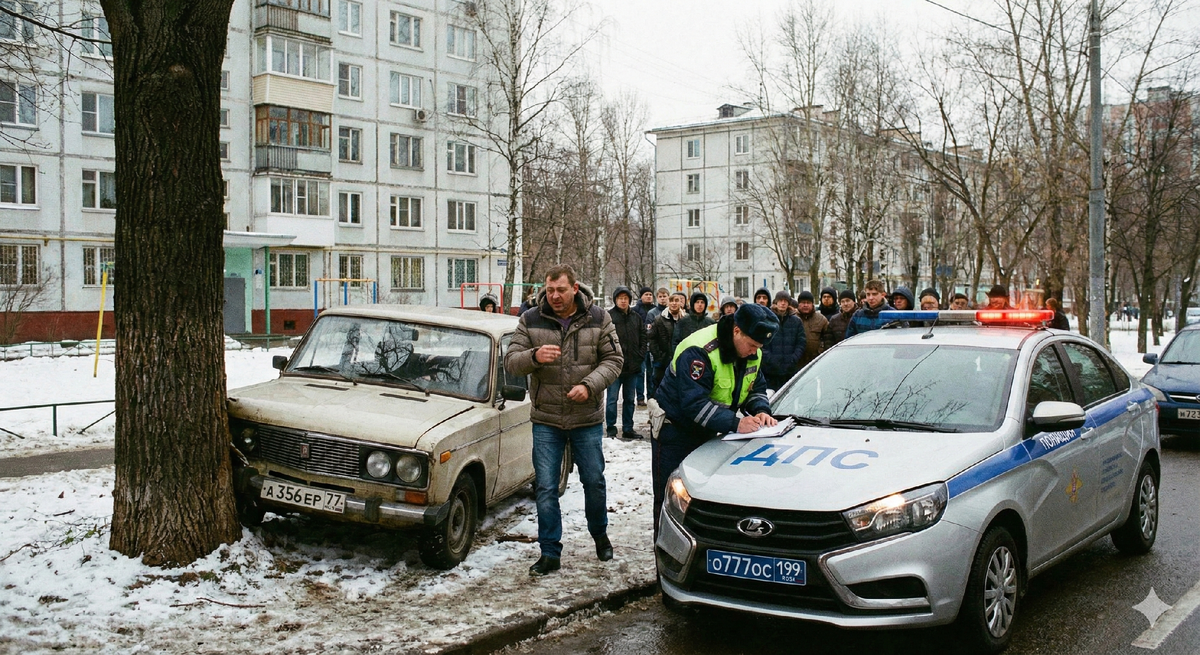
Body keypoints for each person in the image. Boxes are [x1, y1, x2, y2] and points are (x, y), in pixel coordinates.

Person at [504, 264, 623, 576]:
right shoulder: (530, 319)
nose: (554, 296)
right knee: (545, 487)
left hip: (586, 419)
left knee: (594, 481)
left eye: (561, 290)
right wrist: (533, 357)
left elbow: (614, 360)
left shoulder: (599, 318)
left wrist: (589, 385)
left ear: (575, 288)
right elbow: (511, 363)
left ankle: (599, 534)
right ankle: (549, 551)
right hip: (546, 419)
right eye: (550, 290)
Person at [651, 303, 779, 531]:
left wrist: (761, 410)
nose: (755, 351)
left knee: (705, 498)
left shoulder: (752, 351)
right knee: (672, 501)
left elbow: (755, 387)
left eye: (759, 347)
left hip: (710, 430)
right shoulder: (699, 351)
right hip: (675, 431)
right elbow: (694, 404)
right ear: (736, 330)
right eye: (752, 345)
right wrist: (737, 423)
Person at [606, 286, 645, 439]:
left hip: (633, 366)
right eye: (620, 298)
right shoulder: (609, 317)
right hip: (614, 367)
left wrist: (640, 356)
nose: (623, 301)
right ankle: (611, 428)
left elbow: (643, 337)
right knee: (612, 399)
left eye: (626, 298)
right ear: (615, 300)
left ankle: (628, 428)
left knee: (630, 399)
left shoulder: (636, 317)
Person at [760, 290, 806, 390]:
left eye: (786, 301)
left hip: (790, 370)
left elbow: (801, 342)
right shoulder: (767, 320)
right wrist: (770, 359)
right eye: (780, 300)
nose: (783, 303)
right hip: (770, 371)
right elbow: (760, 343)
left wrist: (794, 358)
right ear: (775, 302)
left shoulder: (796, 321)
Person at [649, 292, 686, 397]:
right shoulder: (659, 319)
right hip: (663, 360)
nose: (674, 303)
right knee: (659, 387)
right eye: (671, 301)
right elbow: (652, 339)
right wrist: (658, 356)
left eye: (676, 301)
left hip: (680, 360)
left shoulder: (685, 320)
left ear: (681, 303)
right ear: (668, 303)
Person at [632, 286, 656, 407]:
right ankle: (640, 397)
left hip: (652, 346)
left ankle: (651, 396)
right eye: (646, 294)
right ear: (641, 296)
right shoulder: (635, 310)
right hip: (640, 346)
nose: (648, 296)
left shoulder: (655, 310)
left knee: (651, 373)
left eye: (650, 294)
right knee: (640, 373)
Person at [795, 290, 830, 366]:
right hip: (796, 361)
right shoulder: (792, 318)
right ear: (798, 304)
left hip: (816, 361)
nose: (806, 305)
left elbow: (828, 339)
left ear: (812, 304)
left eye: (808, 303)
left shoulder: (821, 319)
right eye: (803, 303)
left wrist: (821, 350)